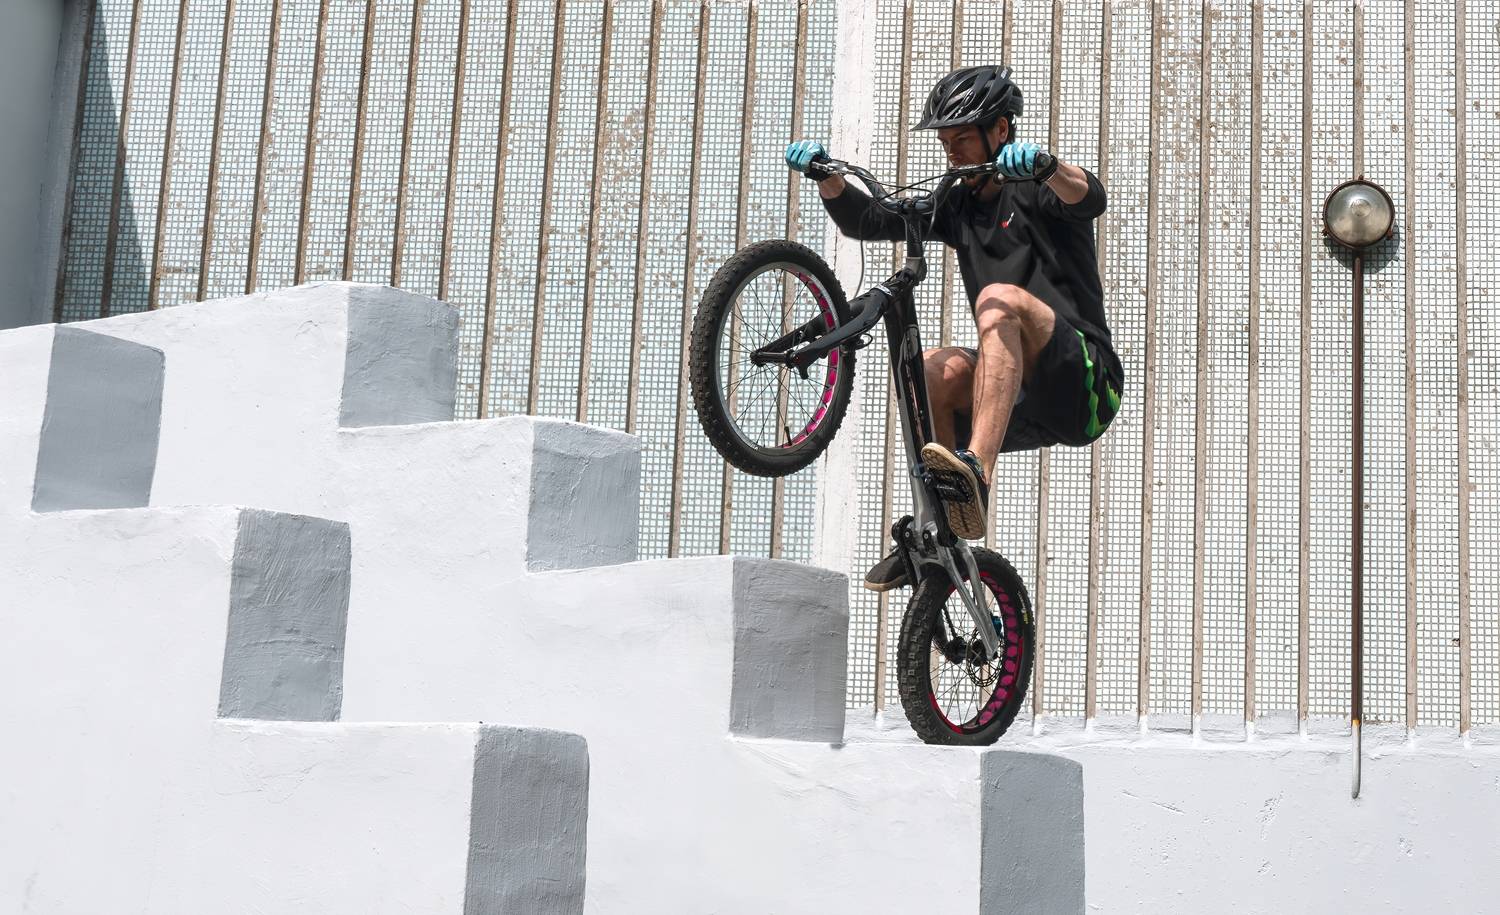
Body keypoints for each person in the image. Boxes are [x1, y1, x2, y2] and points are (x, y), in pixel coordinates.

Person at [783, 64, 1124, 592]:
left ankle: (976, 473)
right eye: (945, 142)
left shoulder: (1038, 189)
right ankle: (940, 529)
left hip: (1085, 385)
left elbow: (1089, 196)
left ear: (1001, 130)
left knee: (998, 300)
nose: (952, 152)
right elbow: (869, 221)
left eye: (962, 138)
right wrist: (828, 180)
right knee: (932, 369)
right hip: (1017, 401)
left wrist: (1048, 166)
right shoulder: (956, 202)